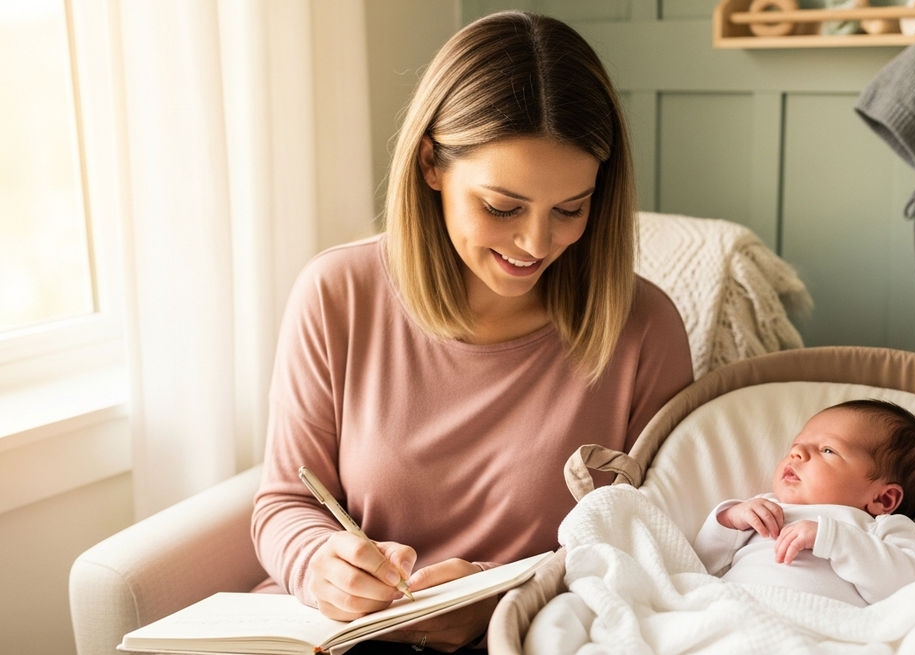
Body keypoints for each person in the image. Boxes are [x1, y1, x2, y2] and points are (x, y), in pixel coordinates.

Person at [251, 11, 694, 652]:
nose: (536, 243)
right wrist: (320, 564)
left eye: (570, 209)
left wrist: (501, 595)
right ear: (431, 162)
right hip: (341, 638)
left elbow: (661, 541)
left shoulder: (643, 329)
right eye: (502, 207)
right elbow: (285, 501)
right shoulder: (336, 294)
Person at [692, 399, 915, 607]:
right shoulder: (764, 507)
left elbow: (908, 585)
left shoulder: (879, 529)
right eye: (796, 445)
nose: (796, 453)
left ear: (882, 498)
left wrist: (832, 538)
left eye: (827, 450)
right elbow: (703, 563)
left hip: (814, 623)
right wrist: (729, 520)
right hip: (731, 607)